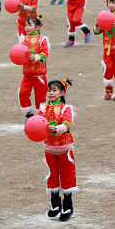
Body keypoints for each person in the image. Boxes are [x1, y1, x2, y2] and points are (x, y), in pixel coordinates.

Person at [39, 79, 76, 221]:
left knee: (67, 176)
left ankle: (68, 206)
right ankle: (55, 205)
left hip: (64, 148)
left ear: (61, 93)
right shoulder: (44, 109)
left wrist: (57, 128)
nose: (50, 93)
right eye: (49, 90)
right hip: (49, 148)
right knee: (52, 176)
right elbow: (40, 123)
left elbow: (67, 125)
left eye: (54, 90)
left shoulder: (66, 109)